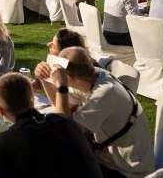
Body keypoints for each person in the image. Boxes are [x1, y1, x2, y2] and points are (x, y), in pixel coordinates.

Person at [53, 47, 155, 178]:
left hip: (127, 171)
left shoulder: (104, 94)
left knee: (57, 162)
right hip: (111, 159)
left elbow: (64, 128)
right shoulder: (97, 76)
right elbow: (63, 109)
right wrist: (46, 81)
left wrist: (60, 86)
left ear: (70, 77)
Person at [0, 72, 101, 178]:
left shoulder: (6, 141)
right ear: (33, 98)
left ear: (0, 110)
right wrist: (61, 86)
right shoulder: (65, 122)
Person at [34, 28, 87, 105]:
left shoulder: (80, 80)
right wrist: (41, 78)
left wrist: (45, 79)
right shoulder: (67, 68)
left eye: (53, 45)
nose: (48, 44)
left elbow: (60, 106)